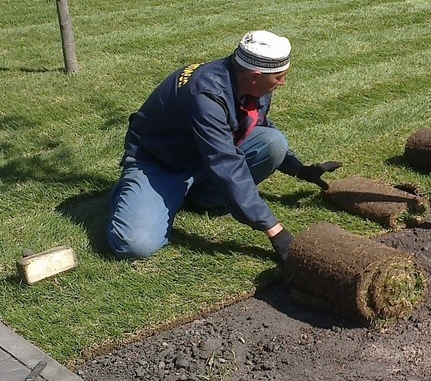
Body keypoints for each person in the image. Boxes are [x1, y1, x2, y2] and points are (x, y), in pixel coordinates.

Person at [106, 30, 341, 262]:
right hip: (160, 165)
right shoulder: (205, 93)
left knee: (273, 142)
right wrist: (275, 231)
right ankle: (136, 192)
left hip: (202, 159)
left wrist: (299, 169)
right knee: (134, 244)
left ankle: (197, 198)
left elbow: (255, 126)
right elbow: (226, 163)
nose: (283, 83)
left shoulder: (247, 82)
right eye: (279, 77)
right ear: (256, 75)